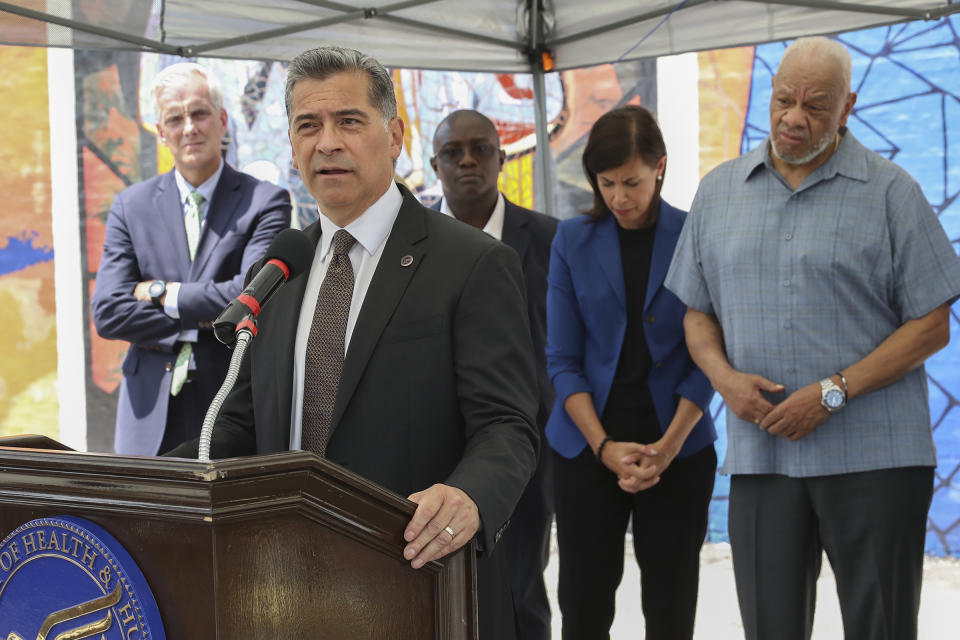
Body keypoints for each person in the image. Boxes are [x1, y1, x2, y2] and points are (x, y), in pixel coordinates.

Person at [168, 47, 539, 639]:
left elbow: (508, 426)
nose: (328, 142)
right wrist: (135, 481)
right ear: (292, 145)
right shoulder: (281, 269)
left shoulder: (473, 264)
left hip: (418, 584)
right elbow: (238, 428)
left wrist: (469, 496)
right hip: (284, 594)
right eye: (308, 126)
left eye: (349, 121)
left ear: (394, 135)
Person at [665, 36, 960, 640]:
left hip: (875, 459)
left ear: (848, 107)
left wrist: (832, 393)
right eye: (784, 100)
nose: (794, 118)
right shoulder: (719, 191)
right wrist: (725, 381)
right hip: (763, 455)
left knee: (881, 629)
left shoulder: (891, 193)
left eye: (817, 105)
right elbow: (697, 314)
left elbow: (932, 324)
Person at [545, 105, 717, 639]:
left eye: (633, 182)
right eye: (607, 183)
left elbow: (709, 356)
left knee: (670, 608)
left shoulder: (694, 235)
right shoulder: (571, 240)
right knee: (584, 606)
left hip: (679, 449)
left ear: (660, 167)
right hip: (585, 450)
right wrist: (602, 446)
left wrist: (665, 447)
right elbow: (562, 361)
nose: (620, 197)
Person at [91, 62, 290, 456]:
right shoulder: (131, 206)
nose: (189, 128)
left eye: (199, 113)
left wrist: (161, 293)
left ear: (222, 119)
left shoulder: (265, 202)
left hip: (230, 403)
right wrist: (195, 321)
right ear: (161, 132)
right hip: (147, 411)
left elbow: (250, 296)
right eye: (174, 118)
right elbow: (109, 311)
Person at [429, 109, 557, 640]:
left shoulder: (551, 239)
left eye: (480, 149)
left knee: (522, 587)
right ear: (434, 165)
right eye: (452, 152)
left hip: (526, 443)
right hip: (434, 446)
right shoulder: (409, 246)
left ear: (502, 158)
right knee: (437, 594)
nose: (467, 161)